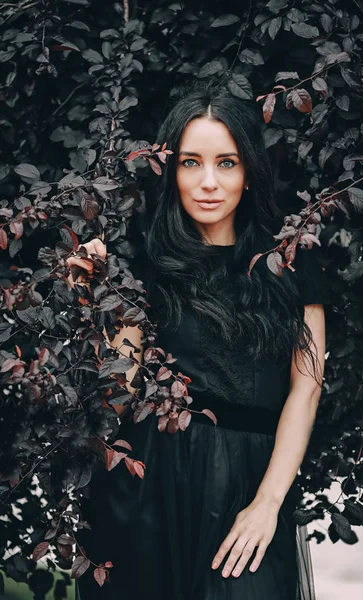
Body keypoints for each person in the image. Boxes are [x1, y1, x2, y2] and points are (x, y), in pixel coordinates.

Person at [68, 84, 329, 600]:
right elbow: (121, 387)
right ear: (172, 171)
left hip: (250, 486)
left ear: (249, 171)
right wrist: (89, 301)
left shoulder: (291, 264)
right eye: (191, 162)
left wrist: (268, 503)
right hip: (148, 486)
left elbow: (307, 389)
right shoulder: (144, 266)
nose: (208, 182)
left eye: (226, 163)